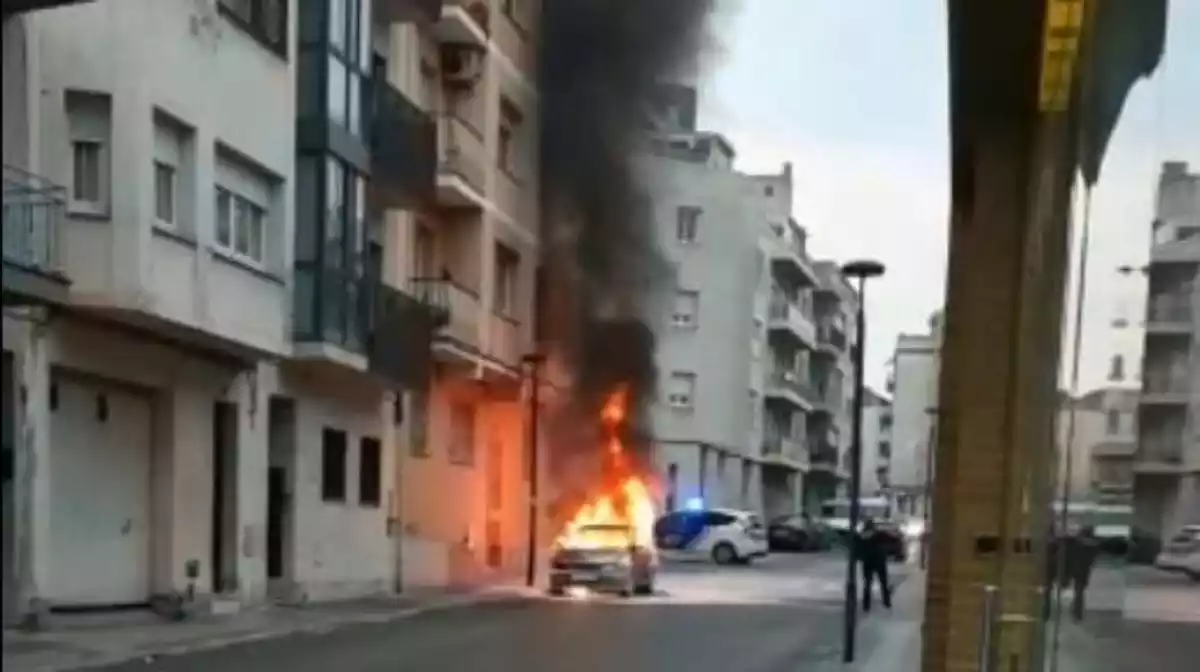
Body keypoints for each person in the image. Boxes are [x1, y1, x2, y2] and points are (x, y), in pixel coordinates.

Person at [856, 518, 892, 612]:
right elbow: (890, 539)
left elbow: (858, 548)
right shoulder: (879, 534)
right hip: (879, 560)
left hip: (868, 562)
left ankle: (866, 605)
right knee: (883, 582)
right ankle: (886, 602)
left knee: (867, 584)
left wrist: (860, 557)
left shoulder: (862, 535)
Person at [1066, 524, 1101, 622]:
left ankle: (1076, 612)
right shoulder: (1094, 546)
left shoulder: (1077, 543)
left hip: (1075, 568)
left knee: (1078, 592)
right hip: (1084, 571)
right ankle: (1077, 613)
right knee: (1079, 592)